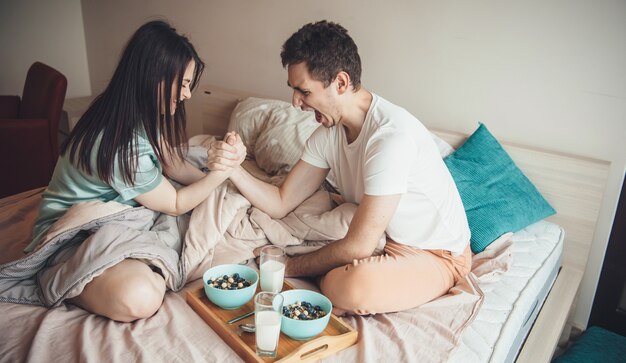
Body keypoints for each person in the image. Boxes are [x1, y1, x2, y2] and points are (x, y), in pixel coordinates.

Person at [209, 20, 472, 316]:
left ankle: (330, 279)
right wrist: (233, 169)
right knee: (328, 256)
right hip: (382, 237)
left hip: (434, 253)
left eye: (304, 92)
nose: (295, 103)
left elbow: (358, 246)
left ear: (341, 83)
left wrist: (289, 266)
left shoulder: (389, 139)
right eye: (294, 91)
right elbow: (282, 202)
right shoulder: (328, 134)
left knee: (350, 287)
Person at [27, 20, 245, 322]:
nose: (187, 94)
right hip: (69, 237)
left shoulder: (130, 109)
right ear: (153, 76)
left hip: (104, 225)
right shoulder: (120, 142)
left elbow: (174, 164)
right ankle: (63, 277)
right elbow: (176, 203)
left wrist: (228, 177)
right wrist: (220, 174)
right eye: (182, 83)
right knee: (141, 295)